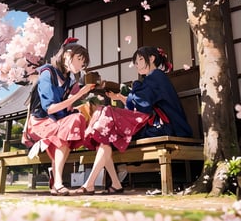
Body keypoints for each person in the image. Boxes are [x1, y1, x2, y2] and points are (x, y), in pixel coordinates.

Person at [72, 46, 192, 195]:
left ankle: (91, 183)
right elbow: (141, 102)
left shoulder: (157, 76)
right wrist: (120, 98)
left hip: (165, 126)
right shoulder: (152, 78)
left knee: (107, 116)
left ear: (152, 59)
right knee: (106, 131)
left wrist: (125, 97)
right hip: (153, 123)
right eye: (135, 62)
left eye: (140, 59)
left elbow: (144, 105)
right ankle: (112, 183)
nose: (137, 64)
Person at [26, 37, 96, 196]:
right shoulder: (47, 73)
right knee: (65, 130)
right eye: (79, 59)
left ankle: (56, 180)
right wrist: (77, 96)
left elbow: (67, 108)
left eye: (83, 62)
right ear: (67, 54)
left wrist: (79, 100)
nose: (81, 65)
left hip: (57, 122)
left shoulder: (70, 81)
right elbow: (50, 109)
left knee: (76, 119)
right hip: (40, 122)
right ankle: (57, 182)